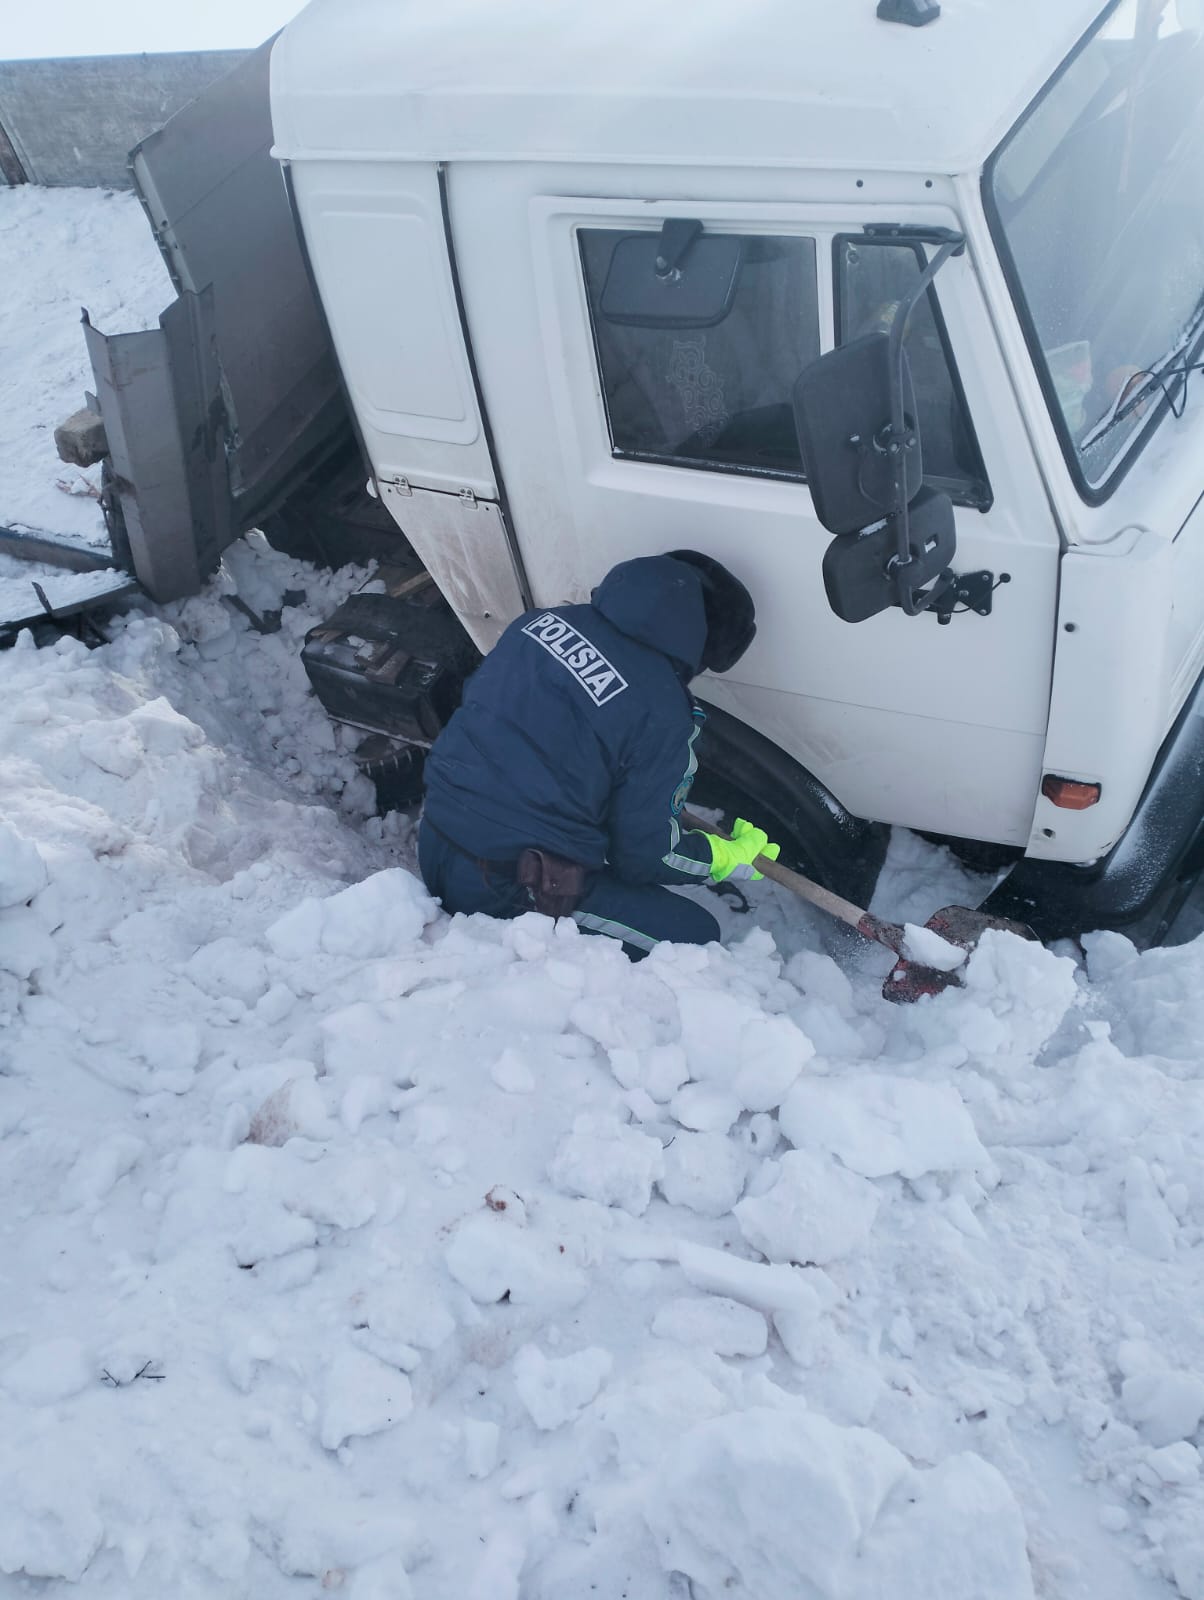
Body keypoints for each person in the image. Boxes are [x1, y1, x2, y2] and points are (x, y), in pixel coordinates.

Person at [417, 550, 778, 958]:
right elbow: (645, 857)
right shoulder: (661, 711)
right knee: (693, 936)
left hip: (434, 839)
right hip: (503, 885)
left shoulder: (538, 624)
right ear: (696, 637)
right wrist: (722, 857)